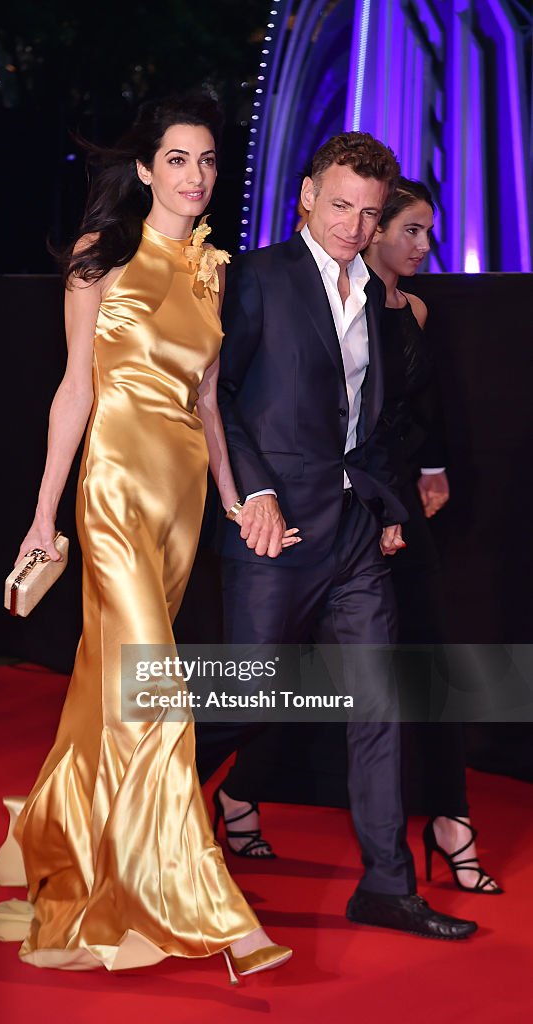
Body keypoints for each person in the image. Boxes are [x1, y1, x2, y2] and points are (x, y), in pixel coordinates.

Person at [0, 94, 294, 981]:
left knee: (115, 694)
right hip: (110, 487)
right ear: (145, 169)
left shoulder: (216, 269)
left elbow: (209, 403)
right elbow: (74, 390)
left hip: (180, 498)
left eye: (208, 160)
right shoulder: (100, 257)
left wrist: (232, 499)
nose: (195, 175)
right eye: (177, 159)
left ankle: (78, 852)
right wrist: (42, 513)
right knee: (158, 688)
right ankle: (214, 912)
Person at [195, 132, 478, 939]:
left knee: (379, 703)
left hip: (354, 532)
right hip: (273, 531)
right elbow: (220, 398)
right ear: (306, 198)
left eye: (368, 212)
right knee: (247, 699)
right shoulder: (252, 277)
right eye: (341, 206)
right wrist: (250, 493)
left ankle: (386, 886)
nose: (354, 226)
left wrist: (385, 505)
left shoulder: (380, 297)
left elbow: (372, 424)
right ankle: (146, 810)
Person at [364, 177, 502, 894]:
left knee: (427, 664)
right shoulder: (339, 305)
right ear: (374, 227)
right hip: (347, 509)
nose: (424, 245)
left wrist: (433, 468)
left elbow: (425, 408)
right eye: (411, 230)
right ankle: (234, 793)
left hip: (402, 512)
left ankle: (450, 819)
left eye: (427, 231)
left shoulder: (412, 307)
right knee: (301, 671)